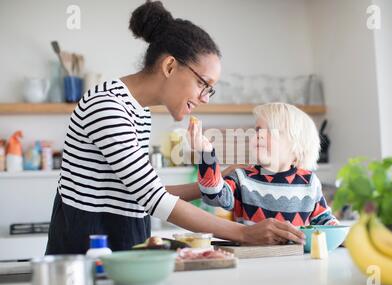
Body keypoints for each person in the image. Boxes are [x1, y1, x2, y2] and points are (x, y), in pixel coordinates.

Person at [45, 1, 304, 254]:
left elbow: (134, 191)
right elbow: (153, 198)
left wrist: (216, 179)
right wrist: (244, 232)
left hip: (120, 245)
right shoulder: (108, 107)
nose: (205, 98)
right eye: (204, 84)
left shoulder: (138, 110)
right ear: (170, 66)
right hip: (85, 251)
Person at [189, 103, 339, 232]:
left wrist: (343, 236)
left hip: (296, 261)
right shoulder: (242, 178)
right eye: (258, 130)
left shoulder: (310, 183)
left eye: (272, 131)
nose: (260, 135)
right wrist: (206, 153)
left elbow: (324, 220)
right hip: (253, 260)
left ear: (296, 149)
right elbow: (213, 196)